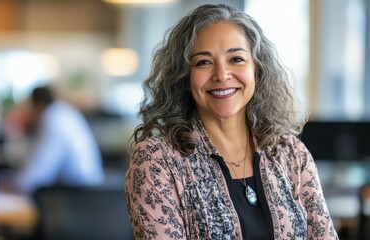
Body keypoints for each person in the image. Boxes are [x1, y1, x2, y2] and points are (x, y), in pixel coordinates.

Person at [124, 3, 338, 240]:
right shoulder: (157, 160)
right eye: (203, 62)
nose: (222, 74)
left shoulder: (291, 153)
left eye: (236, 59)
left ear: (257, 70)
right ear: (184, 76)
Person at [15, 85, 104, 195]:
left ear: (36, 105)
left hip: (77, 195)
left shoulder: (53, 119)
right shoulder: (64, 112)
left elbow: (37, 175)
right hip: (87, 190)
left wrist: (15, 184)